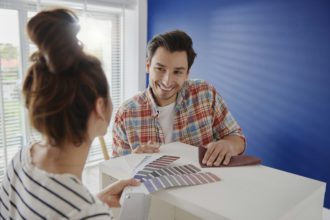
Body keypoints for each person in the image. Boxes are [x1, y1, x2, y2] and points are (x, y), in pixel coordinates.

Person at [0, 8, 139, 219]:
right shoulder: (87, 214)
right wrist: (90, 210)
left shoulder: (23, 157)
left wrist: (93, 201)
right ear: (100, 107)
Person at [112, 30, 246, 167]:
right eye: (160, 69)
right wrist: (132, 162)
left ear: (187, 73)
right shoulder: (126, 114)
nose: (167, 81)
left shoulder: (205, 94)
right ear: (148, 66)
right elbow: (117, 170)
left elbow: (236, 136)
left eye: (177, 72)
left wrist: (228, 145)